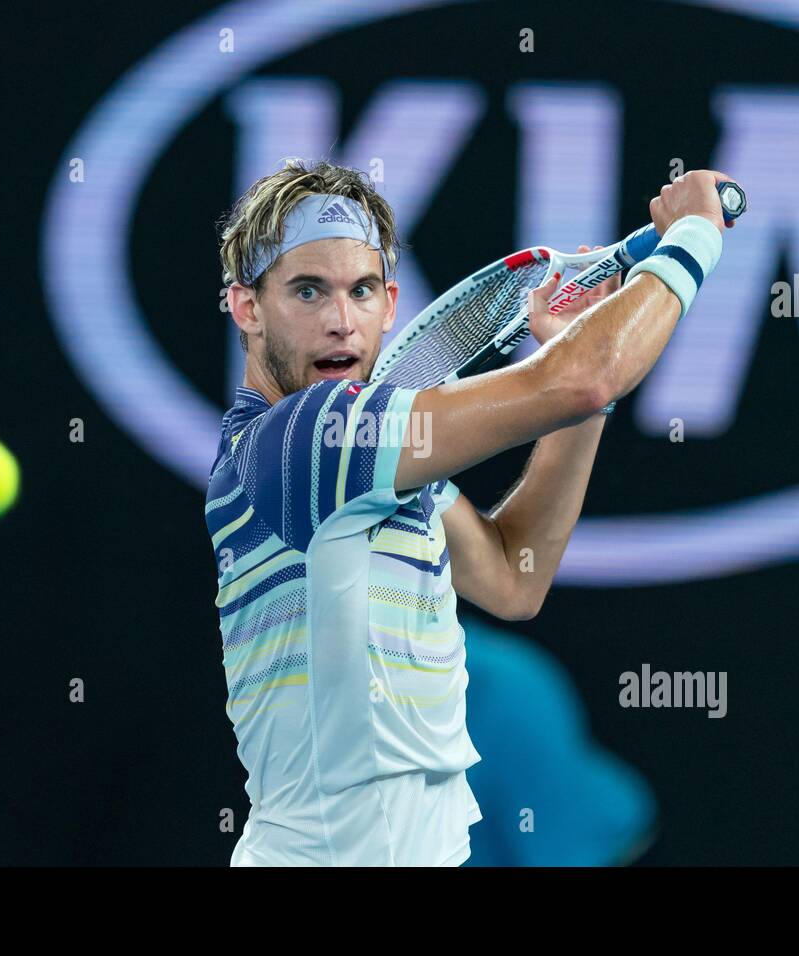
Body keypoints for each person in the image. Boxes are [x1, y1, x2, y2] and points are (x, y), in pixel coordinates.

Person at [206, 158, 737, 865]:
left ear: (390, 305)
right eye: (308, 291)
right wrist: (694, 238)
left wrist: (580, 395)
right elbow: (582, 376)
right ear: (246, 307)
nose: (342, 321)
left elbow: (516, 578)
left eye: (361, 291)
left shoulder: (360, 473)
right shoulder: (304, 442)